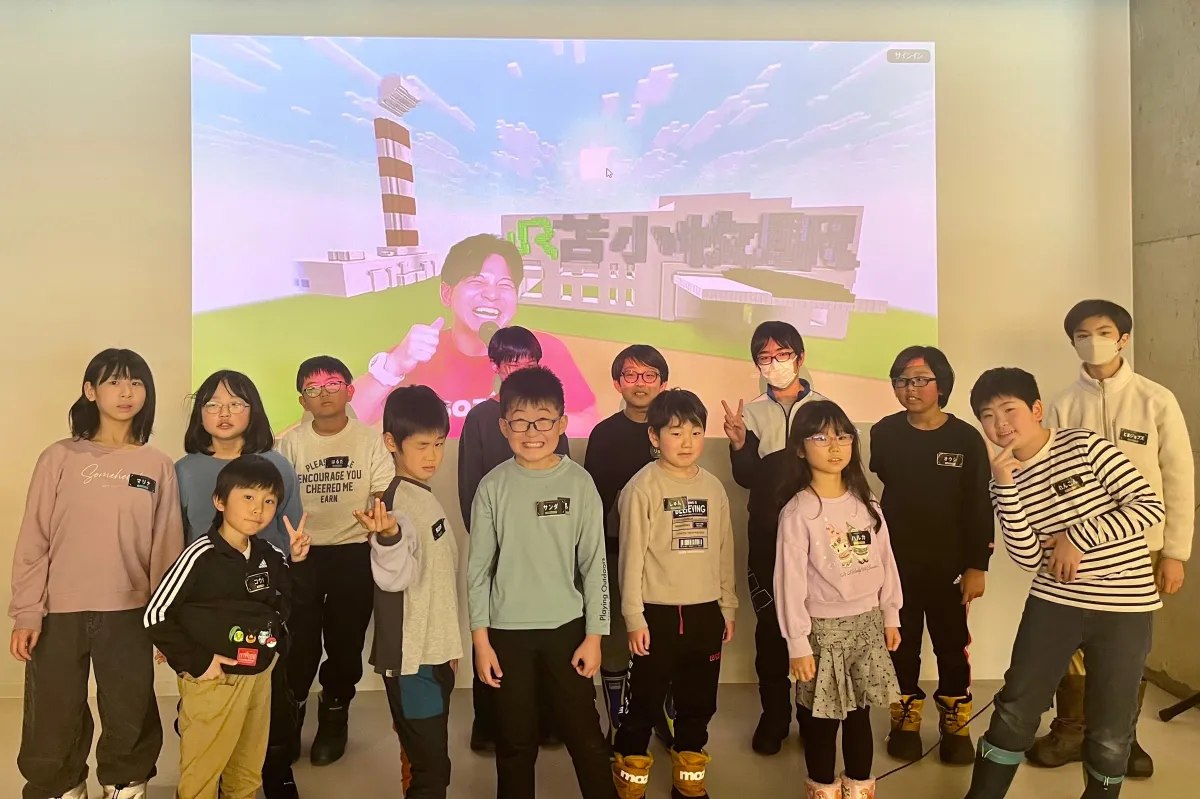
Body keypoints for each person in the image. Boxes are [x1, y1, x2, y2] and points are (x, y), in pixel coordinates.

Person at [963, 368, 1164, 799]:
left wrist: (1077, 538)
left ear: (1036, 409)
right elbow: (1027, 557)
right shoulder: (1002, 479)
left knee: (1112, 725)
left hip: (1125, 607)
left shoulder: (1086, 446)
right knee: (1017, 707)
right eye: (988, 416)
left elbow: (1149, 506)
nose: (1000, 424)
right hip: (1054, 602)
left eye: (1009, 410)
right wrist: (1005, 486)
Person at [1032, 299, 1194, 779]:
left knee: (1127, 648)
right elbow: (1047, 478)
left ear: (1123, 338)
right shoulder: (1063, 404)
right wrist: (1053, 539)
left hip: (1141, 547)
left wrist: (1175, 553)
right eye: (1082, 334)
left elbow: (1178, 479)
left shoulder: (1155, 400)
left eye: (1103, 332)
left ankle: (1122, 736)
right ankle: (1070, 731)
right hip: (1074, 549)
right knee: (1072, 643)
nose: (1093, 341)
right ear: (1072, 343)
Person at [10, 348, 182, 799]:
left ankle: (126, 783)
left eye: (136, 382)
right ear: (90, 391)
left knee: (130, 704)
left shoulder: (157, 464)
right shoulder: (59, 457)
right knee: (54, 707)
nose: (126, 392)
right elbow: (35, 538)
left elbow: (166, 548)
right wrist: (27, 611)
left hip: (130, 611)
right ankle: (59, 785)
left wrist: (166, 622)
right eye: (114, 382)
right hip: (59, 611)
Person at [467, 366, 616, 799]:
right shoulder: (492, 487)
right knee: (514, 743)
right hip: (506, 635)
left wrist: (595, 637)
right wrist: (481, 643)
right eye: (520, 422)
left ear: (562, 423)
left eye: (544, 421)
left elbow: (594, 565)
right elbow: (478, 571)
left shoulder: (580, 484)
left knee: (586, 738)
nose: (532, 433)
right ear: (503, 426)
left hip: (566, 631)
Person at [144, 455, 312, 799]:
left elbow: (293, 600)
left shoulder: (268, 553)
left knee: (247, 770)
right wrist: (198, 662)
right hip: (214, 679)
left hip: (259, 675)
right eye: (248, 497)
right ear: (219, 501)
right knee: (203, 773)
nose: (258, 509)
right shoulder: (199, 555)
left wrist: (298, 561)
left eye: (269, 501)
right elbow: (155, 615)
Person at [175, 370, 305, 797]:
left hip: (262, 602)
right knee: (208, 695)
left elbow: (289, 534)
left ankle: (275, 770)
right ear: (200, 414)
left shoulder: (277, 464)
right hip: (205, 606)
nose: (224, 413)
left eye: (236, 403)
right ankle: (207, 777)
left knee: (268, 693)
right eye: (212, 404)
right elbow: (175, 538)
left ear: (254, 411)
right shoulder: (184, 470)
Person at [869, 346, 994, 765]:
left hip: (950, 567)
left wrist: (977, 565)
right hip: (897, 565)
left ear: (942, 384)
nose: (910, 388)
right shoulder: (884, 432)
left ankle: (955, 721)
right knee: (900, 643)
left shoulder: (965, 438)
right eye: (902, 381)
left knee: (951, 645)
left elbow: (979, 505)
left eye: (921, 379)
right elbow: (886, 480)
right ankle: (904, 718)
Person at [611, 389, 737, 799]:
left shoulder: (713, 488)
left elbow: (724, 551)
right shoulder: (641, 488)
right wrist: (634, 617)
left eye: (695, 432)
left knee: (698, 701)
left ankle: (689, 773)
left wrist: (727, 605)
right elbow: (630, 558)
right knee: (645, 703)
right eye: (675, 432)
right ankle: (630, 773)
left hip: (705, 612)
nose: (687, 442)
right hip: (656, 615)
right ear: (654, 436)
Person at [774, 400, 902, 799]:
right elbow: (789, 583)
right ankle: (823, 790)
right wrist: (798, 644)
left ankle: (860, 788)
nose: (834, 446)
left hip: (867, 626)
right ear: (800, 448)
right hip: (823, 632)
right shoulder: (798, 511)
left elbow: (886, 560)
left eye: (843, 436)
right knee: (822, 721)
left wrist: (890, 614)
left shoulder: (867, 502)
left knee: (860, 715)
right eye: (821, 437)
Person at [350, 233, 597, 436]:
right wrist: (393, 366)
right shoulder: (415, 353)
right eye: (477, 282)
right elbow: (345, 421)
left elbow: (590, 421)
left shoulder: (542, 349)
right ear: (447, 293)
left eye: (504, 285)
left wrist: (532, 423)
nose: (492, 294)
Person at [277, 356, 395, 766]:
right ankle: (290, 715)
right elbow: (277, 501)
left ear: (350, 390)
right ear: (302, 400)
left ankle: (334, 713)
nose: (323, 394)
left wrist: (377, 520)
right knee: (299, 644)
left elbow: (382, 492)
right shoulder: (290, 443)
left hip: (352, 554)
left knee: (345, 645)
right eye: (312, 388)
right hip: (302, 556)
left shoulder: (369, 440)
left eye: (332, 384)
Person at [457, 325, 569, 752]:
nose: (521, 370)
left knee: (545, 634)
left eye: (530, 362)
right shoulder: (481, 418)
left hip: (547, 549)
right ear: (496, 366)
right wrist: (493, 545)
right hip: (498, 551)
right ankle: (487, 724)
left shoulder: (552, 419)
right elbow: (469, 489)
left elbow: (563, 483)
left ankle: (547, 719)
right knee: (493, 636)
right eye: (512, 363)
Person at [721, 320, 828, 754]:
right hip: (767, 532)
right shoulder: (750, 412)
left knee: (815, 627)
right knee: (770, 628)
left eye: (782, 355)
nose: (774, 363)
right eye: (765, 357)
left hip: (816, 536)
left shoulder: (824, 409)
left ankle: (812, 715)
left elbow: (838, 466)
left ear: (799, 358)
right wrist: (738, 444)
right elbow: (746, 477)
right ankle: (775, 716)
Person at [359, 385, 463, 799]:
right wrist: (388, 537)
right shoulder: (394, 506)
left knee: (428, 764)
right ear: (391, 442)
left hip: (433, 656)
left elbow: (437, 582)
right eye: (422, 445)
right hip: (412, 664)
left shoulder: (422, 495)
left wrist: (449, 646)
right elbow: (393, 575)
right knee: (431, 772)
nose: (433, 455)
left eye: (439, 443)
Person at [585, 344, 674, 747]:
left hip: (667, 557)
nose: (640, 383)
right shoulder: (604, 434)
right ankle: (618, 717)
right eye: (631, 375)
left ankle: (661, 715)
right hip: (615, 551)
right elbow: (593, 501)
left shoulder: (674, 429)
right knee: (617, 637)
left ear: (663, 382)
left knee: (663, 639)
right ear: (617, 383)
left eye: (649, 375)